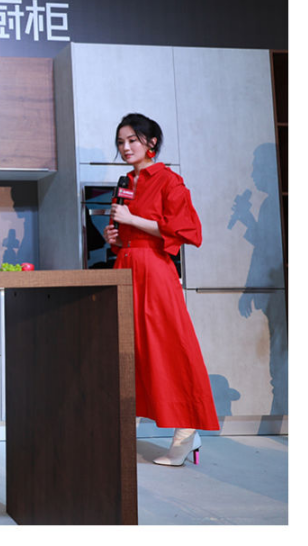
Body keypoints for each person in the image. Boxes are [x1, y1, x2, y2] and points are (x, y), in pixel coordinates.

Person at [104, 113, 220, 466]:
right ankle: (124, 428)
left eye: (132, 140)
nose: (125, 148)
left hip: (155, 271)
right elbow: (124, 232)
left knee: (168, 348)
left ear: (151, 143)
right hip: (125, 267)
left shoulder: (170, 181)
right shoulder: (126, 182)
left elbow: (187, 230)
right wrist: (114, 236)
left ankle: (186, 431)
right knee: (129, 350)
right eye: (121, 142)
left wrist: (133, 221)